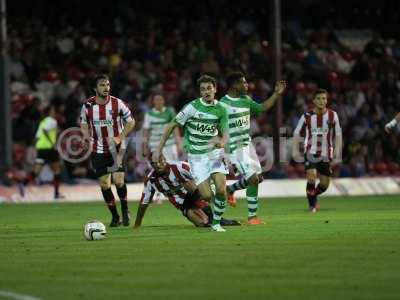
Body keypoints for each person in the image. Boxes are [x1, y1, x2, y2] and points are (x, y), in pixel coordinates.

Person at [152, 75, 229, 232]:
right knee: (206, 195)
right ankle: (211, 189)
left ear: (215, 89)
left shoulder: (221, 109)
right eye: (203, 89)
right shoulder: (191, 107)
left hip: (214, 153)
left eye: (209, 88)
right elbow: (172, 124)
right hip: (196, 156)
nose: (206, 91)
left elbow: (226, 132)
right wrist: (159, 148)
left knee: (221, 190)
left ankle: (216, 223)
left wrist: (223, 142)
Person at [219, 72, 287, 224]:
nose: (246, 85)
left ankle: (230, 190)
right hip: (234, 147)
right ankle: (252, 217)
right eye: (243, 83)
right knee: (253, 179)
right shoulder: (223, 104)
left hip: (247, 145)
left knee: (258, 178)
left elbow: (262, 108)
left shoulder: (246, 100)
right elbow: (217, 126)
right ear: (234, 85)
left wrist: (276, 94)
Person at [80, 74, 135, 226]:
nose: (106, 88)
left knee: (118, 180)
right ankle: (115, 216)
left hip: (117, 147)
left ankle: (125, 209)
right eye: (102, 85)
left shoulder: (118, 103)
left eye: (108, 85)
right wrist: (85, 137)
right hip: (98, 148)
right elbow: (84, 122)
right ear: (95, 88)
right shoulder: (88, 105)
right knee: (104, 184)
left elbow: (131, 122)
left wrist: (120, 137)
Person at [134, 154, 240, 228]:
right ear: (151, 165)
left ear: (165, 159)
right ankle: (212, 219)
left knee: (188, 183)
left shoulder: (180, 167)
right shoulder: (150, 180)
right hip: (183, 204)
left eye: (160, 161)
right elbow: (144, 203)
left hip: (194, 193)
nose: (158, 164)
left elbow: (201, 177)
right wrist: (137, 225)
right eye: (154, 163)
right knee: (202, 223)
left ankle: (216, 218)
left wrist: (217, 187)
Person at [293, 89, 342, 213]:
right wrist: (295, 150)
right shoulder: (307, 115)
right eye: (319, 98)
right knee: (311, 176)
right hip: (310, 150)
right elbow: (296, 132)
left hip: (326, 153)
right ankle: (312, 206)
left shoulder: (333, 115)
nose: (322, 101)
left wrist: (338, 152)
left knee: (324, 184)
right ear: (314, 101)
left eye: (324, 98)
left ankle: (313, 194)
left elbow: (338, 134)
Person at [30, 105, 63, 199]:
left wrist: (34, 147)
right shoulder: (52, 121)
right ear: (50, 112)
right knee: (57, 170)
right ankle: (56, 194)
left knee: (36, 171)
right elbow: (45, 131)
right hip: (49, 148)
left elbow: (37, 137)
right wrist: (51, 142)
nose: (54, 112)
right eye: (53, 110)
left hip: (41, 148)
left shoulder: (43, 122)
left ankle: (23, 184)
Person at [142, 93, 182, 161]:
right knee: (158, 170)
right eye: (156, 100)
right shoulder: (149, 114)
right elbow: (145, 133)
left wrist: (179, 144)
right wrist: (144, 147)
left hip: (170, 145)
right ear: (153, 101)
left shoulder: (170, 112)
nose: (158, 102)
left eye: (160, 99)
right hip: (155, 146)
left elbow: (175, 129)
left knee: (172, 168)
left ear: (164, 101)